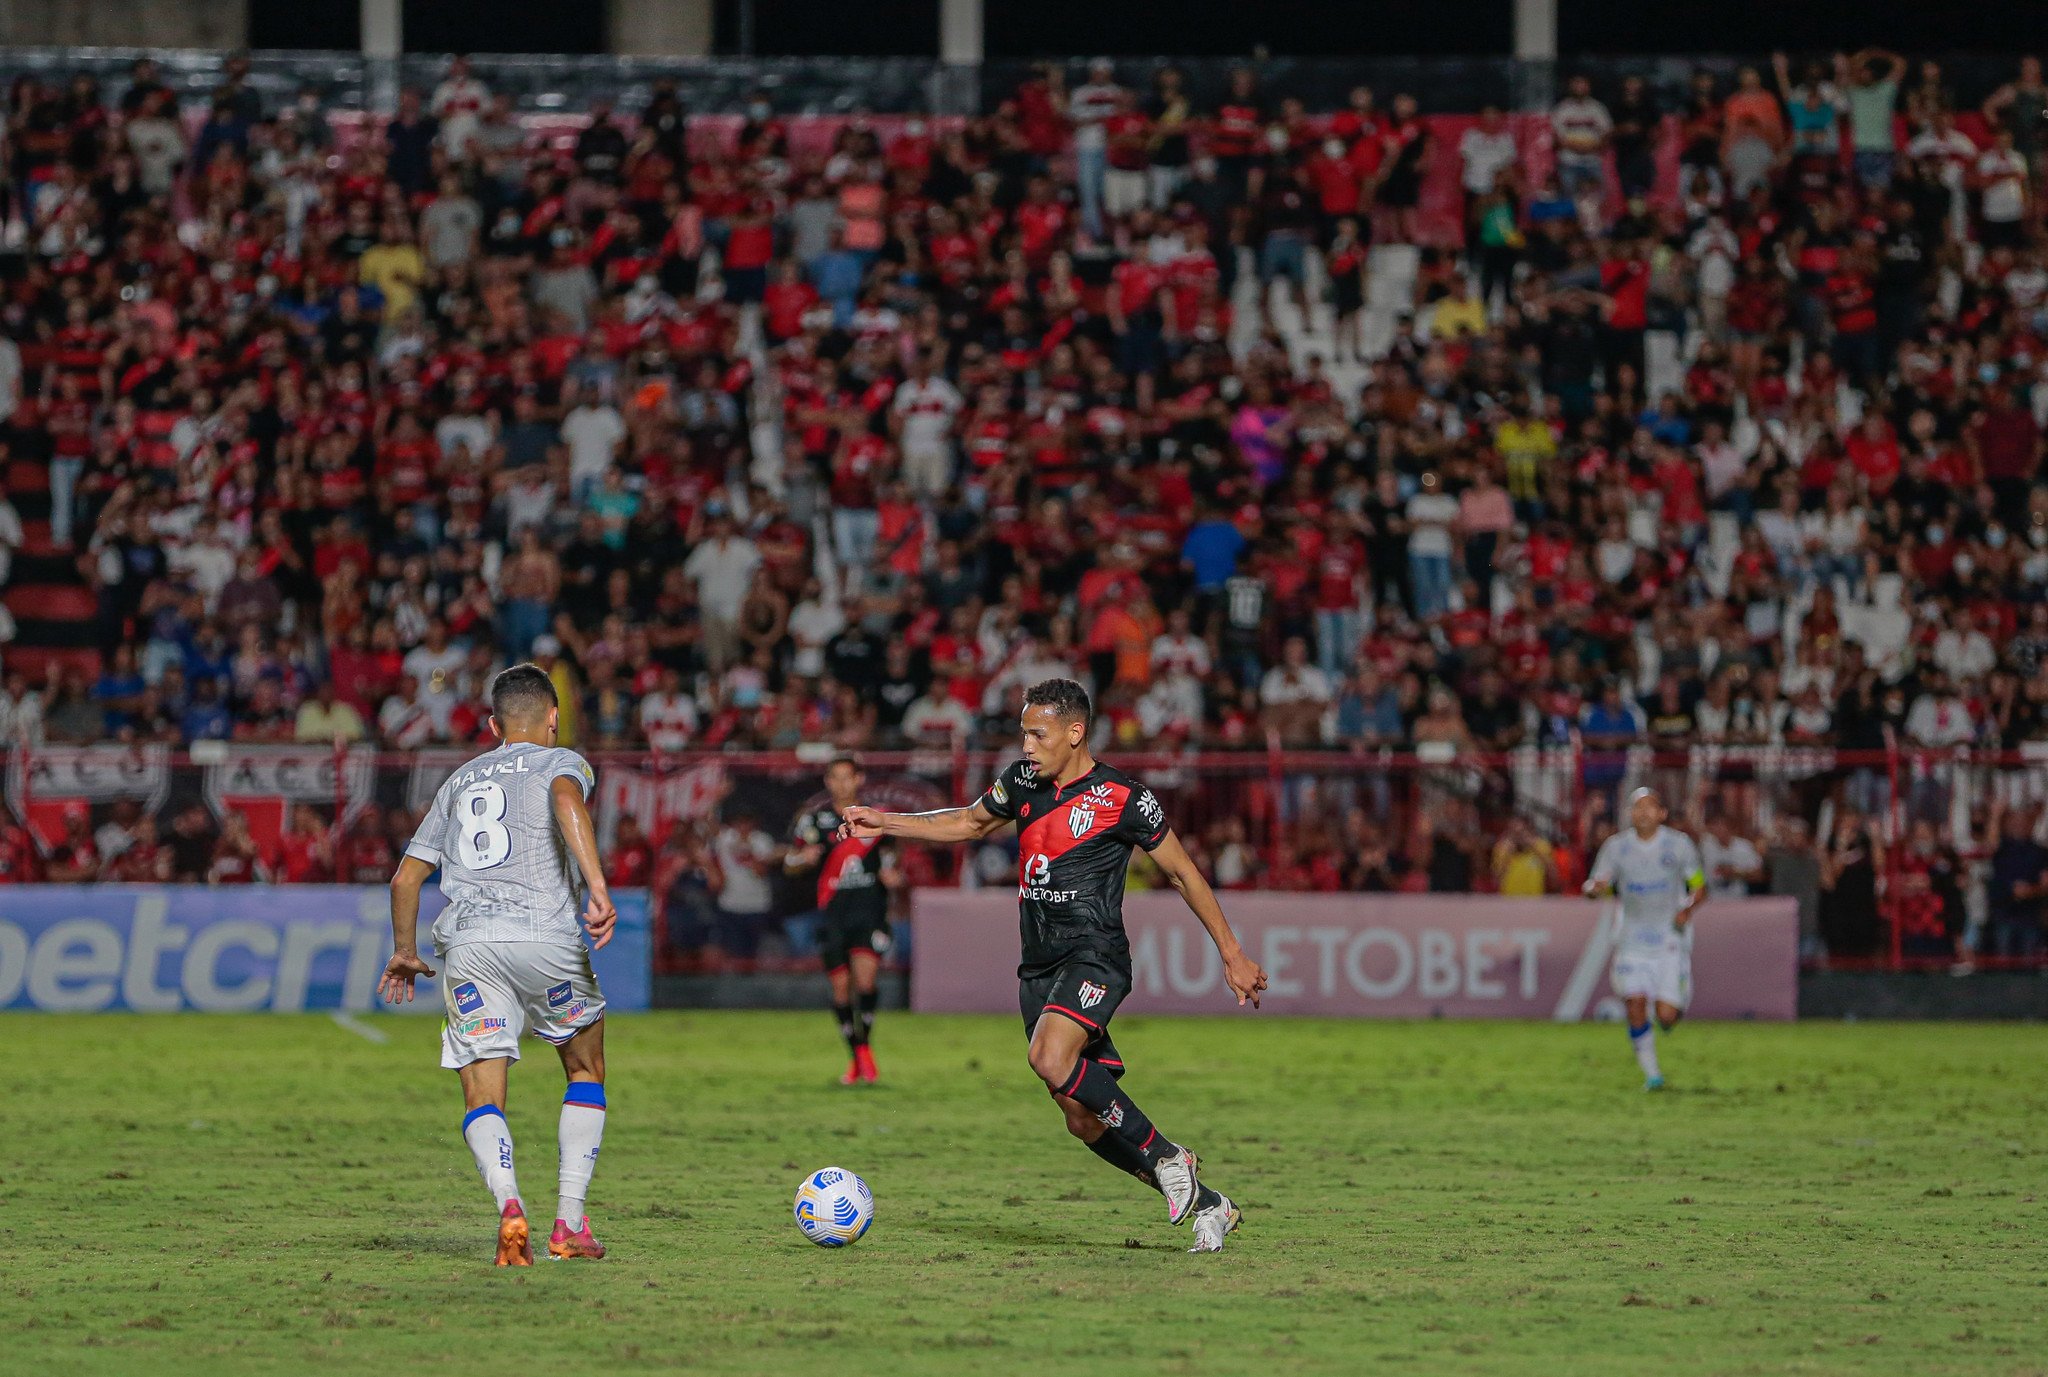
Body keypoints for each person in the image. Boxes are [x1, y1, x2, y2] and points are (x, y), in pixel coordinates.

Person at [836, 678, 1268, 1252]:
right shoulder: (1021, 782)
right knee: (1081, 1117)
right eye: (1024, 733)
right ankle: (1211, 1205)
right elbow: (968, 822)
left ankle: (1170, 1157)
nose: (1028, 745)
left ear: (1074, 732)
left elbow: (1184, 872)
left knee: (1048, 1056)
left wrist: (1232, 953)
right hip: (1037, 968)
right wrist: (884, 822)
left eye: (1038, 734)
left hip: (1095, 956)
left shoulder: (1124, 797)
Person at [378, 664, 617, 1267]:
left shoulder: (461, 779)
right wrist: (597, 884)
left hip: (471, 945)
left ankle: (510, 1204)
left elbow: (407, 876)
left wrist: (405, 951)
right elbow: (565, 800)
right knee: (584, 1067)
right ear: (554, 717)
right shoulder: (563, 762)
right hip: (546, 937)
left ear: (493, 725)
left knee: (483, 1089)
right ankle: (568, 1221)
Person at [1582, 787, 1706, 1091]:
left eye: (1650, 807)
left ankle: (1666, 1008)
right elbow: (1599, 883)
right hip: (1631, 940)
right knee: (1635, 1004)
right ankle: (1653, 1076)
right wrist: (1593, 890)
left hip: (1669, 940)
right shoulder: (1616, 847)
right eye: (1638, 807)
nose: (1644, 813)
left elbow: (1699, 887)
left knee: (1666, 1017)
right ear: (1630, 814)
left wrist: (1687, 909)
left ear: (1662, 814)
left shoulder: (1678, 846)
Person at [787, 756, 896, 1083]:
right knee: (839, 989)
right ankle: (857, 1053)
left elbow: (891, 860)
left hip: (868, 910)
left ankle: (862, 1051)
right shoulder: (814, 821)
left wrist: (892, 875)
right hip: (833, 913)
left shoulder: (874, 818)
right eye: (835, 777)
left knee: (865, 982)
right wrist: (801, 860)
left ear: (859, 779)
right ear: (827, 781)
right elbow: (789, 863)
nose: (841, 784)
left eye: (847, 777)